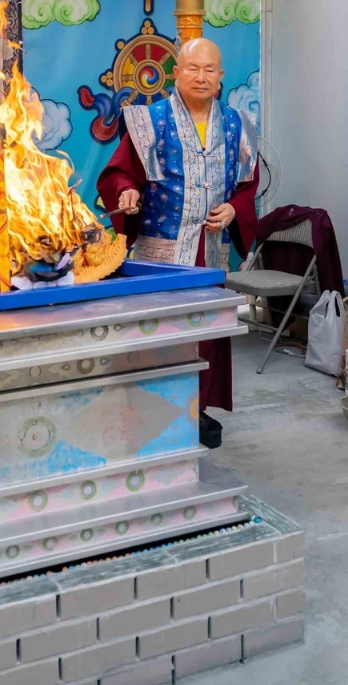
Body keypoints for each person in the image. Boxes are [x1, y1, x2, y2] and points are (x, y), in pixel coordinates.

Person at [96, 37, 257, 444]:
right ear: (176, 73)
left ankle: (197, 412)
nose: (201, 77)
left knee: (206, 333)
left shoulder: (238, 124)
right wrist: (126, 192)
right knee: (161, 332)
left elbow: (247, 185)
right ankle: (155, 412)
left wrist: (234, 208)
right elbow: (120, 173)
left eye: (209, 69)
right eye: (193, 68)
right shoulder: (150, 121)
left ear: (220, 76)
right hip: (161, 251)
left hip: (211, 249)